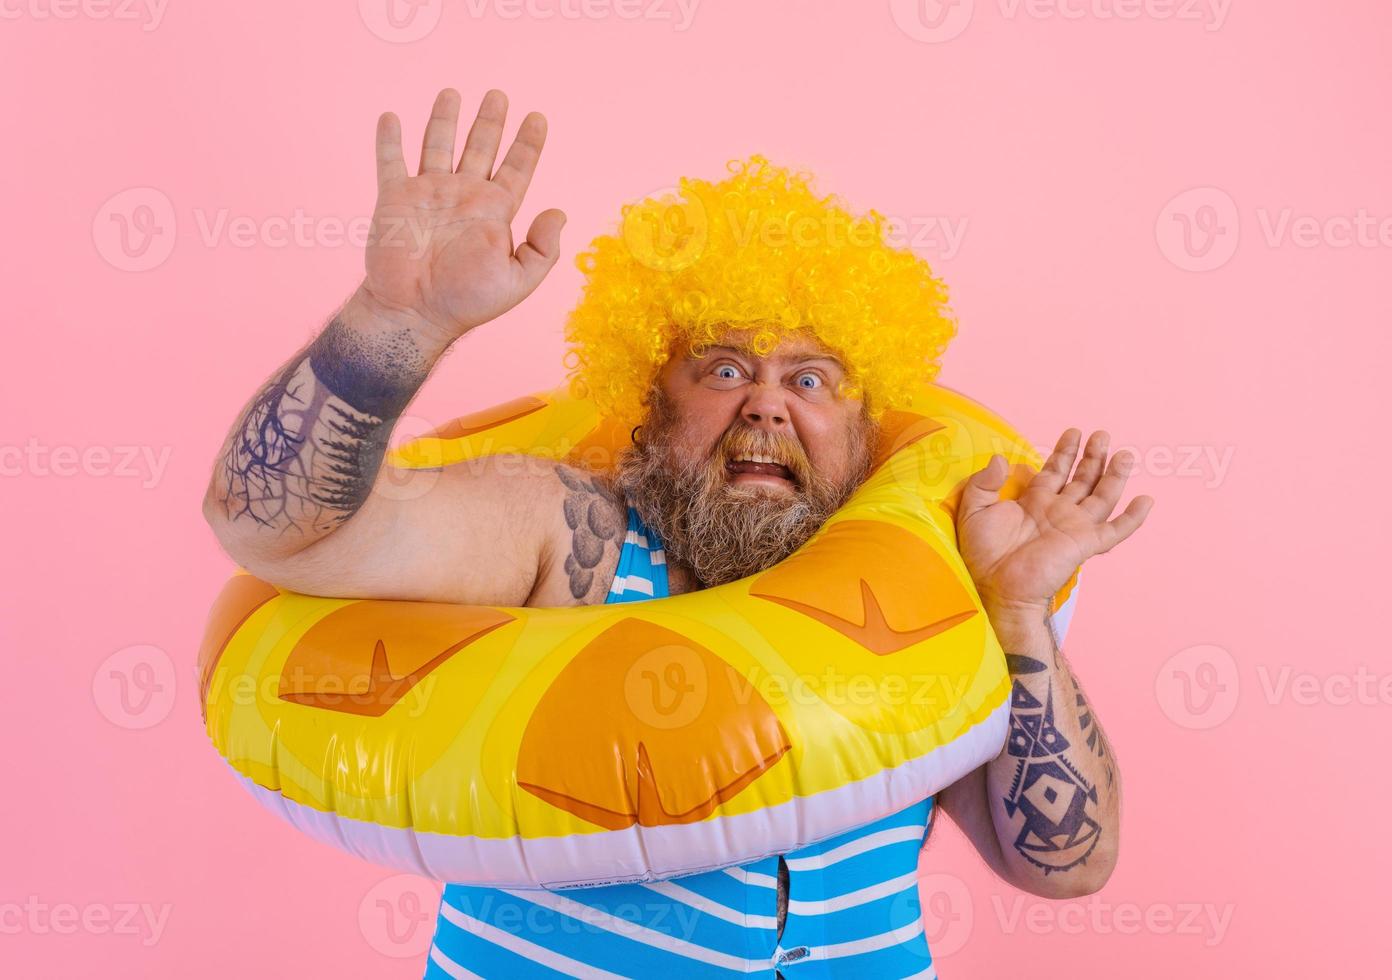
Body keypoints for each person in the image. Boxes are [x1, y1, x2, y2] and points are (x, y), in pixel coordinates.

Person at [202, 87, 1152, 979]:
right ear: (647, 402)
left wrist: (1019, 613)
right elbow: (272, 526)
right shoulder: (573, 534)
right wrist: (395, 323)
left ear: (866, 428)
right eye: (725, 367)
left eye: (812, 380)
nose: (769, 407)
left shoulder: (921, 572)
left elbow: (1065, 868)